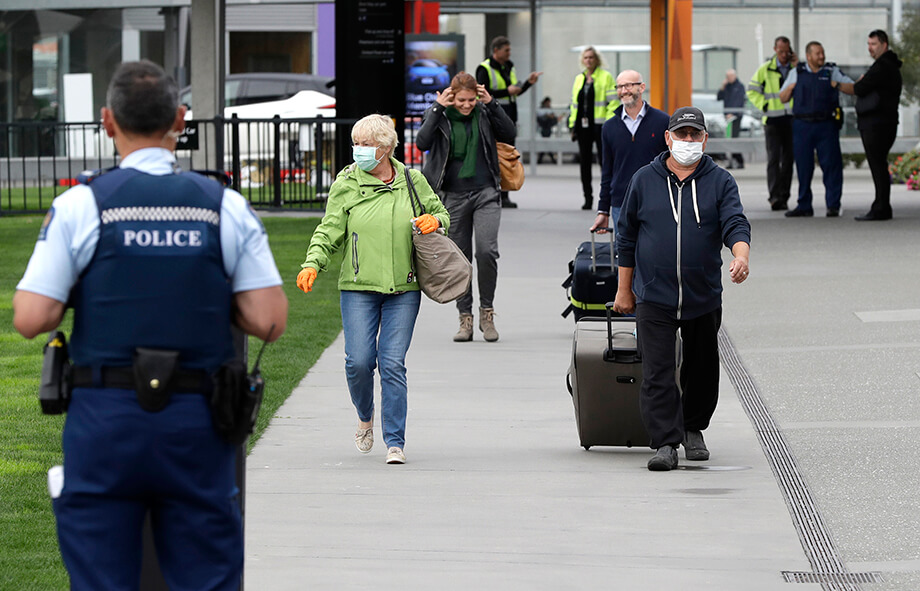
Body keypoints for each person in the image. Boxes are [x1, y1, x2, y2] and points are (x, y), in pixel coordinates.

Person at [12, 60, 288, 589]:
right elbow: (268, 321)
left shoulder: (80, 206)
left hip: (105, 421)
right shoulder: (223, 207)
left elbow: (32, 318)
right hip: (197, 421)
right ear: (180, 120)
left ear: (106, 120)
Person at [297, 114, 449, 465]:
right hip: (358, 287)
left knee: (392, 362)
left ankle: (395, 442)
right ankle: (364, 417)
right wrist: (312, 262)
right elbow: (330, 228)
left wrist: (435, 220)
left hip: (404, 288)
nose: (358, 151)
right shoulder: (347, 183)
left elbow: (442, 213)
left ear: (385, 148)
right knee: (359, 362)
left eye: (366, 145)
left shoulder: (412, 180)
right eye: (356, 143)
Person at [613, 107, 751, 472]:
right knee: (657, 371)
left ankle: (692, 429)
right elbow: (626, 237)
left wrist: (741, 255)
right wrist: (624, 290)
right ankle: (664, 443)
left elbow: (735, 223)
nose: (688, 141)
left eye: (695, 135)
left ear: (705, 139)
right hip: (653, 295)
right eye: (682, 134)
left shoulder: (720, 180)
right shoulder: (644, 179)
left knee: (702, 368)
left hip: (702, 294)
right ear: (668, 137)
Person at [416, 72, 516, 343]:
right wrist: (438, 107)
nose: (466, 105)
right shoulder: (441, 115)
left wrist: (492, 103)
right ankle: (465, 318)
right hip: (453, 197)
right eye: (461, 99)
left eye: (471, 99)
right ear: (451, 95)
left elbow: (510, 133)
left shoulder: (484, 112)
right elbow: (421, 142)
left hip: (486, 192)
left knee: (486, 251)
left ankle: (487, 312)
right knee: (461, 259)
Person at [779, 41, 855, 217]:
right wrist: (790, 88)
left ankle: (833, 205)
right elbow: (782, 97)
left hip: (826, 125)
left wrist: (838, 84)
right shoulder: (796, 73)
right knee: (804, 167)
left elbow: (852, 88)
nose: (821, 56)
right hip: (802, 126)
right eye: (817, 53)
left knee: (832, 166)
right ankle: (804, 205)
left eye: (822, 53)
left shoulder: (831, 71)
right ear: (808, 56)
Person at [590, 70, 669, 233]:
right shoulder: (609, 127)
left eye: (628, 85)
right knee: (624, 254)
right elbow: (607, 171)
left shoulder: (663, 122)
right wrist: (603, 210)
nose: (624, 91)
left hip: (656, 201)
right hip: (621, 202)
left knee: (655, 254)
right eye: (619, 87)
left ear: (642, 87)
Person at [476, 35, 543, 209]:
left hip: (508, 120)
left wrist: (528, 83)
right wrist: (506, 91)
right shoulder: (485, 68)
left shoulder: (508, 67)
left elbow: (515, 92)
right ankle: (494, 194)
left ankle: (504, 194)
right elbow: (482, 93)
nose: (509, 53)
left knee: (507, 156)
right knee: (494, 156)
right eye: (506, 50)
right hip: (493, 119)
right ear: (496, 50)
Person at [853, 29, 903, 221]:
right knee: (879, 165)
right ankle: (881, 205)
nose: (870, 48)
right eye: (868, 44)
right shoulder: (889, 66)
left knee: (878, 165)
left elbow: (860, 88)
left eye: (873, 44)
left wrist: (859, 83)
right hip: (884, 122)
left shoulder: (882, 67)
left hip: (877, 124)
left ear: (884, 44)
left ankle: (881, 207)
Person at [748, 36, 796, 211]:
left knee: (788, 160)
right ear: (775, 49)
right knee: (774, 160)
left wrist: (797, 65)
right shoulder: (765, 69)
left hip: (791, 120)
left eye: (786, 51)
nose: (784, 54)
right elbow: (752, 91)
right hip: (772, 121)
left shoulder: (794, 69)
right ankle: (775, 197)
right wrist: (764, 105)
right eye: (781, 51)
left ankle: (784, 196)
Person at [568, 46, 619, 210]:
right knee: (584, 162)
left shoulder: (606, 77)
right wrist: (572, 125)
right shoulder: (579, 78)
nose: (588, 60)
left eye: (591, 57)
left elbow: (613, 102)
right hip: (583, 127)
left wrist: (608, 123)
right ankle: (587, 198)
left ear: (596, 59)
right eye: (586, 58)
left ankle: (607, 197)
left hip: (600, 126)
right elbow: (574, 105)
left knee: (605, 162)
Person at [717, 69, 747, 169]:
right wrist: (722, 87)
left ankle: (739, 161)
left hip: (736, 117)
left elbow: (739, 101)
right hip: (727, 118)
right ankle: (732, 161)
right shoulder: (727, 87)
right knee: (729, 139)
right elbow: (719, 97)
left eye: (730, 76)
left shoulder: (739, 87)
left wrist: (732, 113)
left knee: (734, 139)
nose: (728, 78)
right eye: (727, 76)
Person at [536, 96, 560, 164]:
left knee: (546, 143)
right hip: (543, 128)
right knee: (546, 143)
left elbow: (553, 118)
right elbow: (540, 116)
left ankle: (541, 158)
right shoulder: (541, 109)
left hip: (548, 128)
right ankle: (550, 157)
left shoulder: (549, 109)